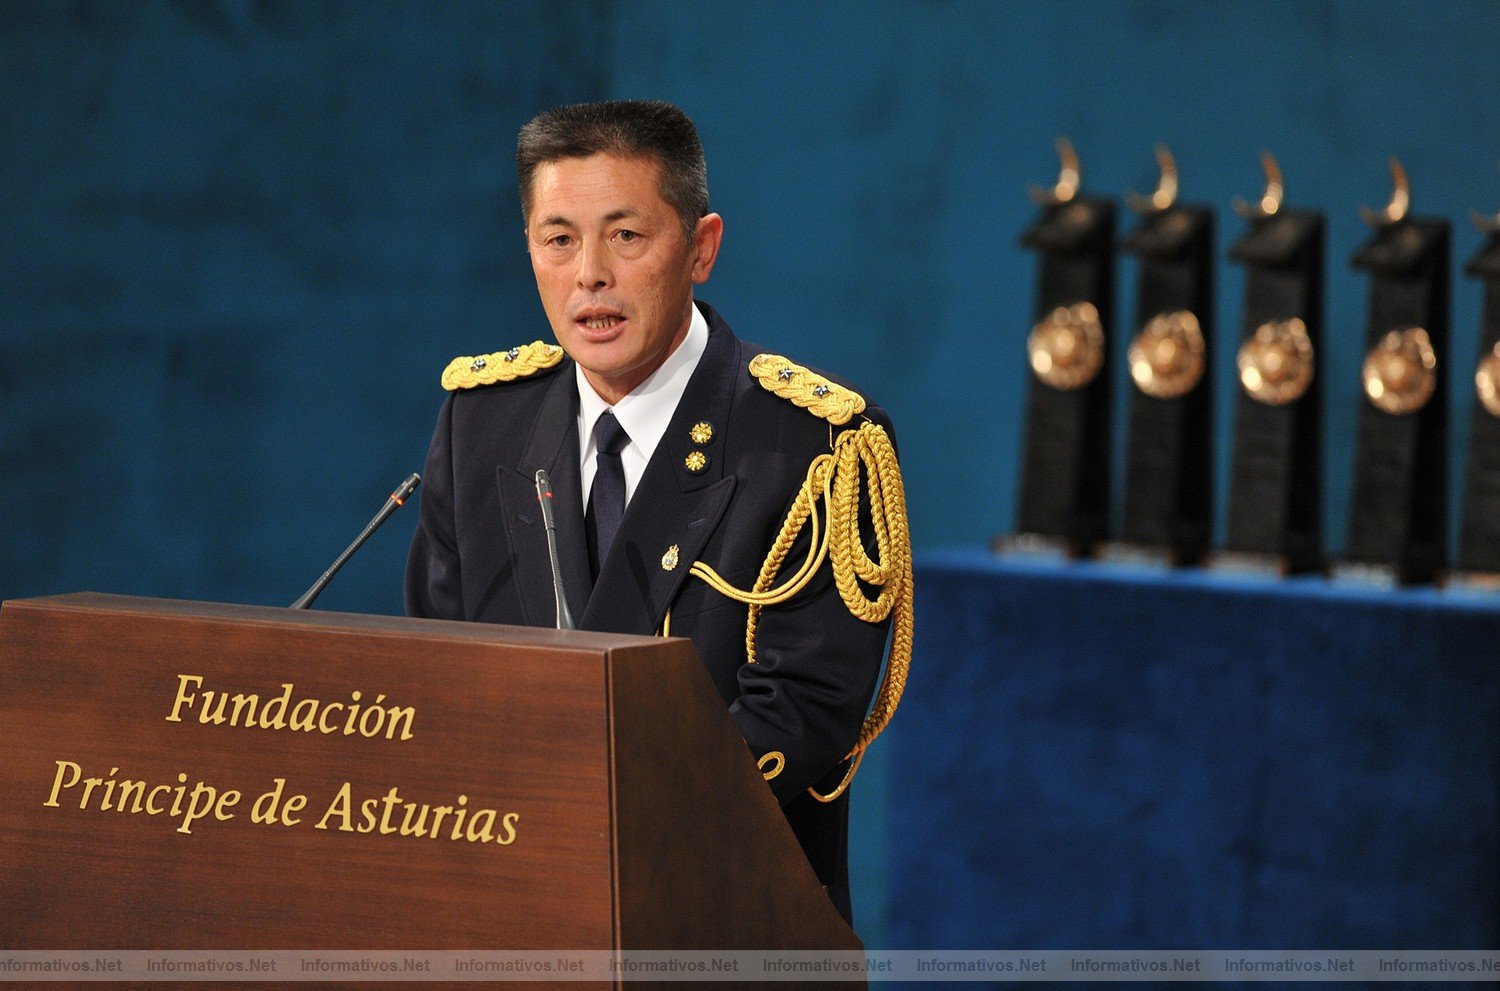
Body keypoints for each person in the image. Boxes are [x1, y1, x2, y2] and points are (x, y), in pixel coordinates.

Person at [405, 100, 910, 925]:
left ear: (702, 247)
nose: (589, 275)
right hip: (508, 922)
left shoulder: (815, 445)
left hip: (719, 921)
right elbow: (439, 678)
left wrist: (566, 818)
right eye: (558, 238)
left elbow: (803, 721)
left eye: (626, 236)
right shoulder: (481, 420)